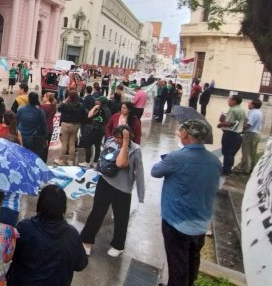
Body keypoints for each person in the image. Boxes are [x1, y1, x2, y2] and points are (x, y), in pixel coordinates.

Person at [151, 120, 220, 286]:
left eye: (181, 130)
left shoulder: (177, 157)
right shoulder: (214, 161)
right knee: (192, 259)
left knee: (177, 264)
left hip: (177, 222)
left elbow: (155, 171)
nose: (179, 133)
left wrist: (172, 157)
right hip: (201, 223)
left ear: (186, 135)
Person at [81, 126, 145, 257]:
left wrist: (140, 193)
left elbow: (126, 166)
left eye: (119, 138)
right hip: (105, 182)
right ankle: (86, 240)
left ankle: (118, 245)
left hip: (122, 188)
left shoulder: (135, 150)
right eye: (115, 137)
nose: (116, 140)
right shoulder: (110, 142)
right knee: (97, 212)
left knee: (121, 217)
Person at [6, 185, 88, 286]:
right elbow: (80, 265)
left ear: (40, 204)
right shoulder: (72, 234)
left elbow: (9, 255)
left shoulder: (25, 227)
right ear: (63, 207)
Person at [216, 95, 248, 175]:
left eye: (229, 100)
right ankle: (228, 169)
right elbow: (246, 121)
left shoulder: (233, 110)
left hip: (230, 135)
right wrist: (240, 129)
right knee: (231, 153)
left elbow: (229, 123)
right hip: (238, 135)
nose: (228, 101)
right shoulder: (242, 110)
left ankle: (225, 171)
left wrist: (220, 124)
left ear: (234, 101)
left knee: (227, 153)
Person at [55, 90, 87, 166]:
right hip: (76, 126)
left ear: (69, 97)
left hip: (66, 125)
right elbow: (84, 114)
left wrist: (65, 101)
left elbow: (59, 108)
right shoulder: (81, 106)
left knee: (64, 143)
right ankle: (71, 160)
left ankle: (61, 160)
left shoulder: (66, 105)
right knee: (72, 143)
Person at [17, 92, 48, 161]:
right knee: (31, 157)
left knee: (21, 157)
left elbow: (16, 122)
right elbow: (44, 126)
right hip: (32, 139)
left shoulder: (21, 110)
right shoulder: (40, 112)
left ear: (28, 99)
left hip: (20, 137)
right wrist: (45, 138)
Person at [238, 99, 263, 174]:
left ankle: (245, 170)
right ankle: (251, 168)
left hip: (250, 134)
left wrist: (241, 130)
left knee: (246, 152)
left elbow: (249, 124)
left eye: (249, 103)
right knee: (252, 152)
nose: (248, 104)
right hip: (256, 134)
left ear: (253, 105)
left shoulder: (252, 113)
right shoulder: (259, 112)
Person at [83, 96, 111, 167]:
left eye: (97, 101)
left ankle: (87, 162)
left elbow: (89, 115)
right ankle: (95, 162)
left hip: (96, 129)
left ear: (100, 102)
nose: (96, 101)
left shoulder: (100, 109)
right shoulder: (108, 109)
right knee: (97, 146)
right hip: (102, 130)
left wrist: (95, 107)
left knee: (88, 145)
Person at [40, 93, 57, 159]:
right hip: (50, 128)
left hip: (43, 129)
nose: (43, 98)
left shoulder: (43, 107)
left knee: (40, 147)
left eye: (44, 97)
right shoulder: (53, 107)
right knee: (46, 147)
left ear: (47, 98)